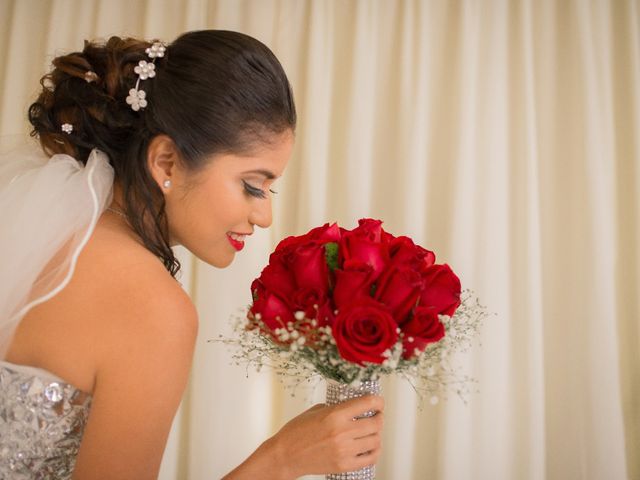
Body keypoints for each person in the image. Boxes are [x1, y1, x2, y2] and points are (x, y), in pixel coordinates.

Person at [0, 30, 384, 479]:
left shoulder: (49, 240)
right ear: (165, 162)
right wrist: (281, 460)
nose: (265, 216)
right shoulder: (151, 306)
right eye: (252, 185)